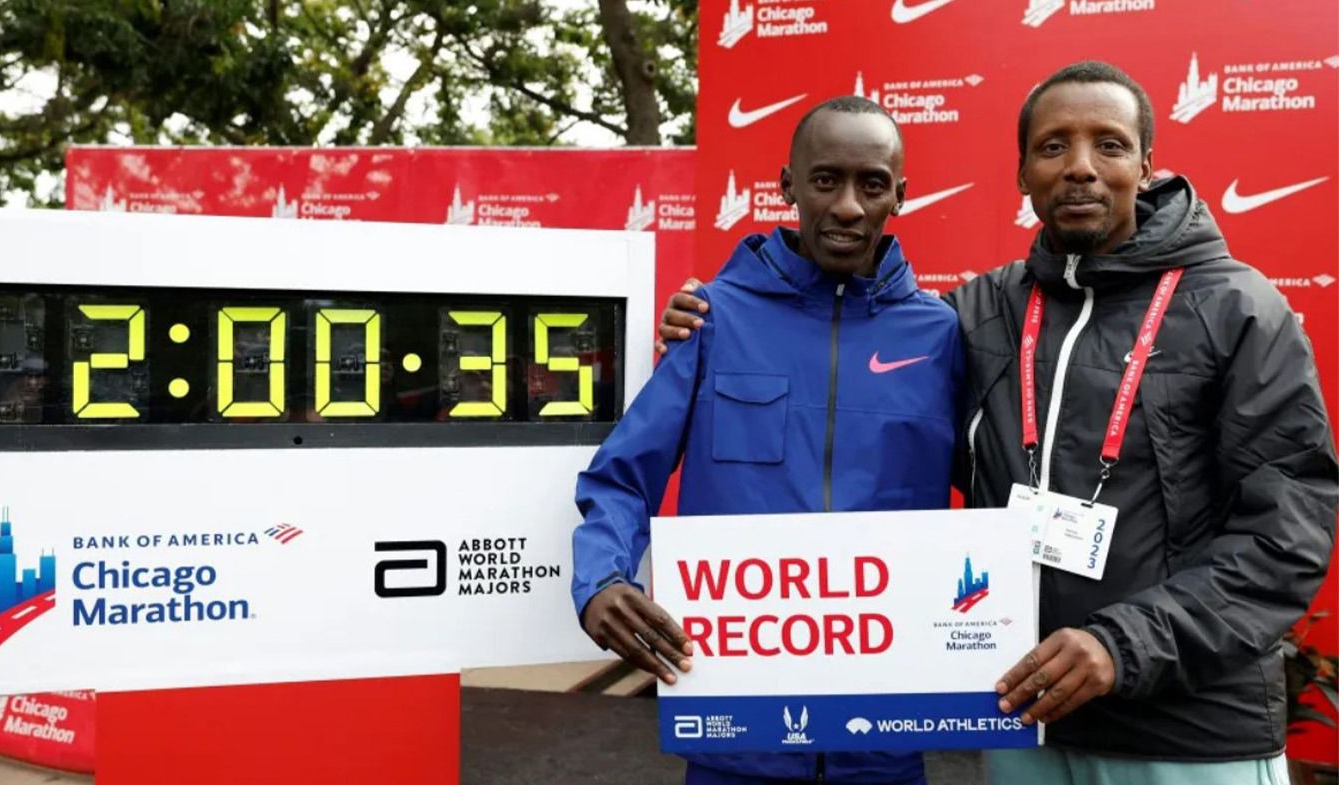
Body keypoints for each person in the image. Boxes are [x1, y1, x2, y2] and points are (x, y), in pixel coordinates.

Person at [658, 61, 1338, 785]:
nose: (1079, 166)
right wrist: (718, 318)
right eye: (1053, 147)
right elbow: (845, 367)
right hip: (1023, 719)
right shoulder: (980, 313)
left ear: (1146, 165)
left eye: (1108, 144)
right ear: (1022, 175)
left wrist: (1125, 643)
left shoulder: (1238, 308)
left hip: (1188, 733)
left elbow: (1286, 532)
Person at [572, 96, 963, 785]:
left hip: (884, 735)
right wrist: (600, 578)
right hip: (736, 730)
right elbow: (621, 475)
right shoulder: (713, 319)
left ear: (900, 195)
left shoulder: (941, 334)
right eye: (824, 180)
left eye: (871, 183)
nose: (847, 206)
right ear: (787, 186)